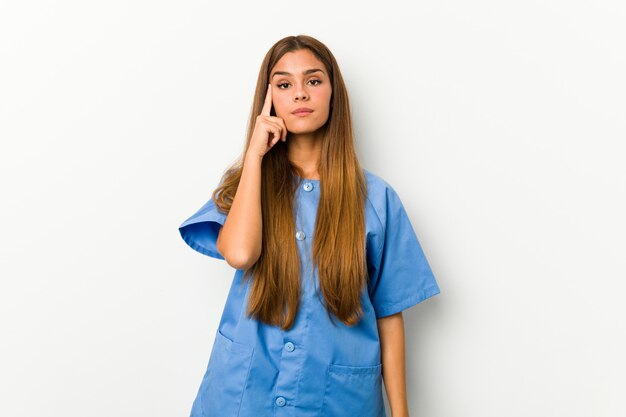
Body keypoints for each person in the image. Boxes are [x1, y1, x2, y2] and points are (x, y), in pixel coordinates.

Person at [178, 34, 441, 417]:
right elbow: (239, 252)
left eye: (313, 81)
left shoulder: (377, 199)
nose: (300, 94)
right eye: (284, 85)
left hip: (334, 400)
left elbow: (389, 314)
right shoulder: (245, 187)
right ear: (268, 100)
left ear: (334, 93)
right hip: (244, 396)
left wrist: (400, 414)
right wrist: (254, 155)